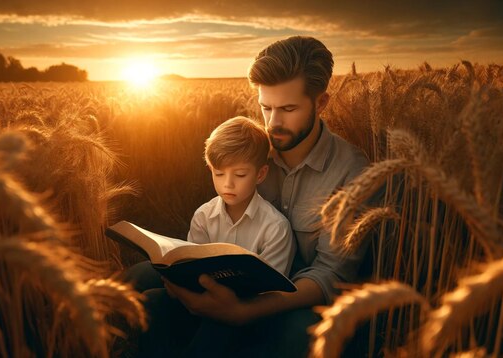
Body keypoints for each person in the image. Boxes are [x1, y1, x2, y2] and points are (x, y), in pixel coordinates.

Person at [130, 36, 371, 358]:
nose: (273, 123)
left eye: (288, 109)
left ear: (321, 102)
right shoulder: (254, 152)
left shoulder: (351, 170)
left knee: (301, 331)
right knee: (142, 277)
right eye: (266, 107)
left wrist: (246, 310)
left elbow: (330, 273)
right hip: (231, 282)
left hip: (298, 299)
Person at [188, 116, 295, 276]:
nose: (228, 184)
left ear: (260, 174)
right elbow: (191, 269)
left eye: (240, 174)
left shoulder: (276, 228)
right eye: (219, 173)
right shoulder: (203, 217)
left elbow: (270, 287)